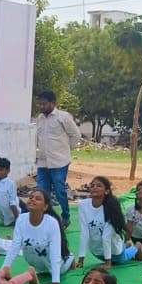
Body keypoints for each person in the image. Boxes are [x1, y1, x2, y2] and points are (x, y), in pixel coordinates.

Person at [0, 190, 71, 284]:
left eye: (38, 198)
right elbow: (15, 246)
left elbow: (55, 253)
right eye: (31, 197)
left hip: (55, 264)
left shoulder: (51, 223)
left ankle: (70, 258)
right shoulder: (21, 219)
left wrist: (55, 281)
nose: (32, 200)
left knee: (65, 261)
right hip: (36, 265)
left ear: (45, 207)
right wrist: (5, 269)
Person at [34, 90, 81, 222]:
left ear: (52, 103)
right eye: (40, 104)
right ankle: (45, 218)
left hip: (59, 162)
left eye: (44, 104)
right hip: (43, 162)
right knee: (42, 192)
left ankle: (65, 217)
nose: (41, 107)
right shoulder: (40, 119)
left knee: (60, 191)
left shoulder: (63, 117)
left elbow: (76, 135)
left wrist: (66, 150)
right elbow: (38, 138)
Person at [75, 176, 135, 269]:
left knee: (121, 261)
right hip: (97, 252)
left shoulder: (111, 208)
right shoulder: (83, 205)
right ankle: (126, 245)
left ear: (106, 191)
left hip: (115, 251)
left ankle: (137, 248)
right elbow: (84, 232)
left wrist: (108, 263)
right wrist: (81, 259)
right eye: (92, 185)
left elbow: (106, 236)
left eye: (99, 186)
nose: (94, 187)